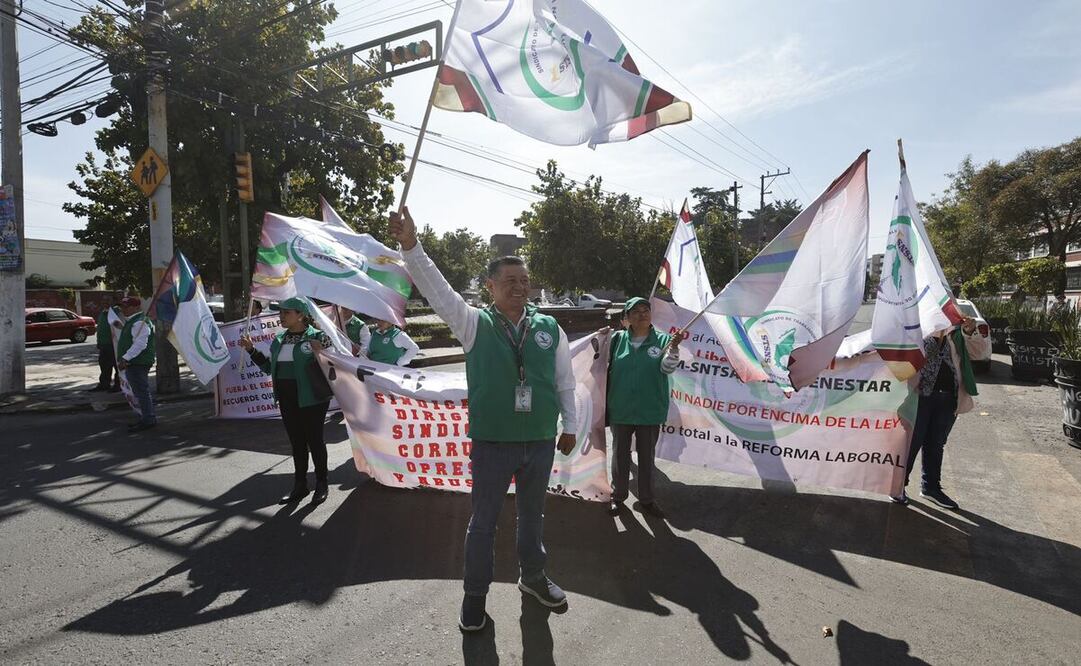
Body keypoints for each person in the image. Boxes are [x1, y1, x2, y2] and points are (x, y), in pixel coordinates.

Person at [390, 206, 577, 633]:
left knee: (534, 518)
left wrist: (571, 424)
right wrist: (411, 247)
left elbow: (565, 381)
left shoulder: (549, 328)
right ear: (490, 287)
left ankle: (533, 579)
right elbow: (439, 292)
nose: (519, 288)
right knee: (483, 524)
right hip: (493, 443)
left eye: (525, 281)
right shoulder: (474, 324)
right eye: (510, 281)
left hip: (541, 441)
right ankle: (474, 597)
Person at [239, 297, 334, 505]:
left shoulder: (318, 337)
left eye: (286, 313)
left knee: (315, 441)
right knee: (297, 442)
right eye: (280, 312)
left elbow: (335, 364)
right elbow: (267, 367)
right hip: (287, 397)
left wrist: (323, 351)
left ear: (300, 315)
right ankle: (300, 485)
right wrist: (250, 349)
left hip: (312, 398)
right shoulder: (279, 340)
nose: (281, 316)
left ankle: (321, 483)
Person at [893, 316, 989, 509]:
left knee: (936, 444)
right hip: (919, 397)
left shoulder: (957, 332)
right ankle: (897, 486)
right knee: (911, 443)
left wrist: (970, 333)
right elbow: (904, 359)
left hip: (948, 397)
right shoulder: (917, 326)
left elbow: (979, 353)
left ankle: (931, 487)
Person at [606, 297, 681, 518]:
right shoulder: (616, 339)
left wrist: (674, 348)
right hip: (621, 408)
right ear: (627, 317)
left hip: (650, 409)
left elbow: (668, 368)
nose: (642, 314)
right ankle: (617, 497)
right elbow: (601, 365)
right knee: (620, 455)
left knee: (646, 458)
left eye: (645, 310)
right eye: (636, 311)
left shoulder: (664, 340)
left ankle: (647, 500)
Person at [115, 297, 157, 432]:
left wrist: (126, 358)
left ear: (136, 307)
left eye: (126, 307)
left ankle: (148, 419)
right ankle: (147, 417)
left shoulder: (140, 322)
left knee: (141, 391)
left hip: (138, 362)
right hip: (135, 362)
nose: (123, 309)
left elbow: (140, 344)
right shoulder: (134, 321)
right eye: (122, 307)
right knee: (139, 391)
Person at [89, 303, 121, 392]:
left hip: (113, 345)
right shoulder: (102, 313)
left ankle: (118, 385)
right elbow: (100, 329)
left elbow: (118, 327)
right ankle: (104, 384)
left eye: (107, 300)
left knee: (116, 366)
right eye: (104, 300)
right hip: (103, 345)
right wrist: (99, 342)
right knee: (104, 366)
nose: (105, 302)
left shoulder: (116, 312)